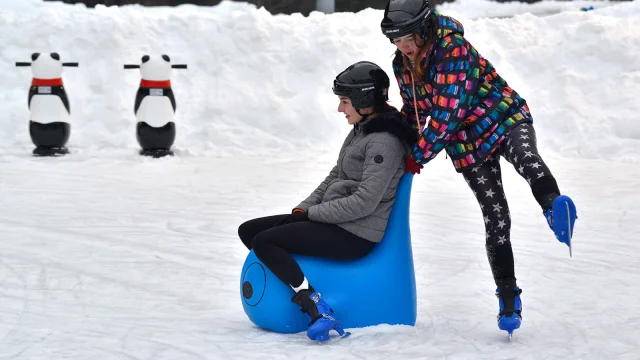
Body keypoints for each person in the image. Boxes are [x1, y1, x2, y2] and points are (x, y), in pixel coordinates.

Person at [379, 0, 578, 337]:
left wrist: (420, 155)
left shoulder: (452, 49)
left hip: (502, 118)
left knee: (527, 158)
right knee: (496, 217)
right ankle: (509, 297)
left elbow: (447, 113)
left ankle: (554, 207)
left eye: (409, 38)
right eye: (397, 41)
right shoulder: (402, 64)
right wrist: (393, 134)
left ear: (425, 29)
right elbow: (415, 111)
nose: (405, 48)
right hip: (466, 145)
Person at [237, 61, 418, 342]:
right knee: (249, 230)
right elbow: (336, 175)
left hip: (355, 233)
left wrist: (312, 216)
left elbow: (364, 202)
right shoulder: (363, 129)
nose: (340, 109)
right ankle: (298, 278)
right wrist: (303, 209)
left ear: (364, 100)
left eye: (344, 101)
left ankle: (316, 307)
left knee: (265, 242)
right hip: (335, 221)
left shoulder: (384, 141)